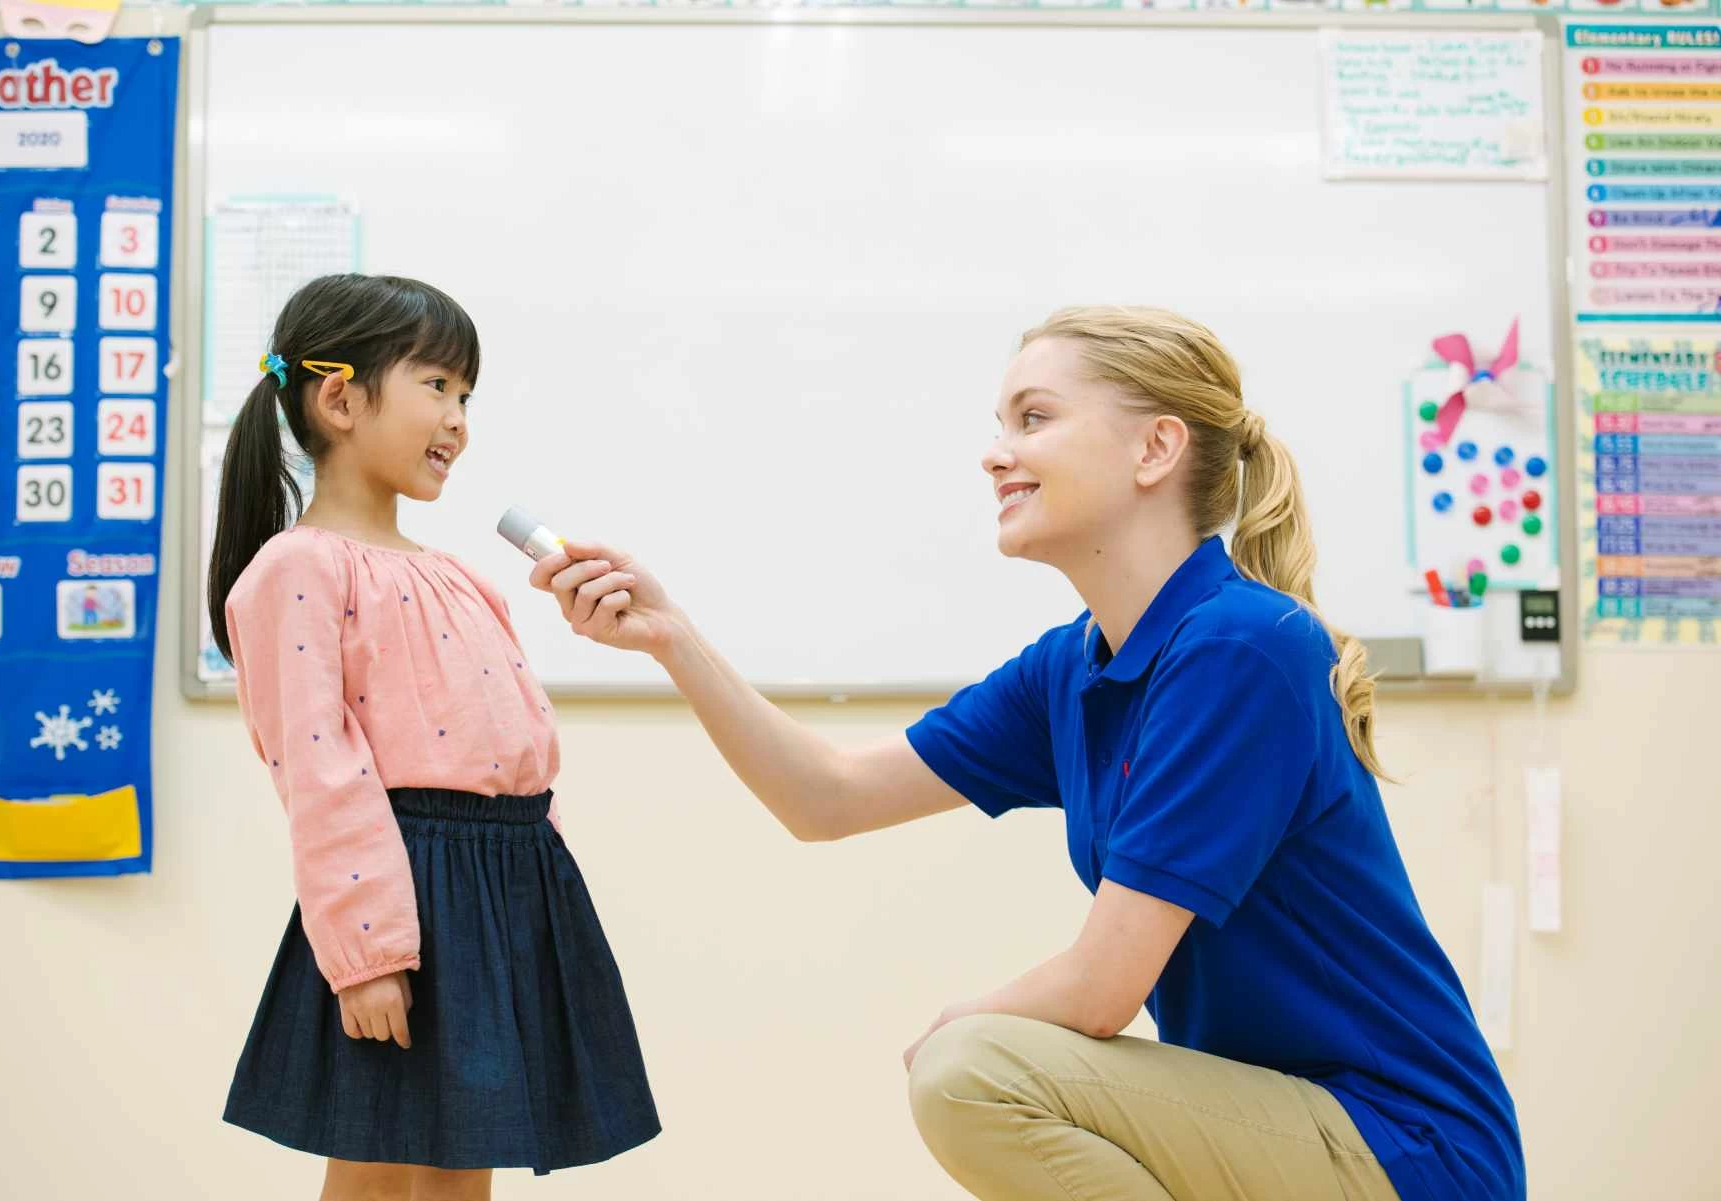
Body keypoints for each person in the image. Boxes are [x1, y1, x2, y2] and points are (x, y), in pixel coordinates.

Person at [530, 306, 1522, 1201]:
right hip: (1289, 1123)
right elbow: (824, 798)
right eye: (1001, 425)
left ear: (1155, 449)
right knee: (976, 1066)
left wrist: (958, 1030)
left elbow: (1102, 988)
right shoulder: (1076, 667)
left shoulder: (1241, 647)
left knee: (973, 1071)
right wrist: (673, 638)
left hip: (1409, 1149)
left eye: (1032, 419)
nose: (996, 453)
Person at [208, 274, 659, 1200]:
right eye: (438, 386)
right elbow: (322, 772)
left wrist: (543, 897)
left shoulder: (457, 573)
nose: (458, 418)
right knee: (380, 1160)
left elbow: (516, 748)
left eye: (467, 395)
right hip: (404, 892)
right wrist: (369, 951)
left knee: (461, 1163)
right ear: (340, 397)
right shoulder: (296, 568)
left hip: (506, 884)